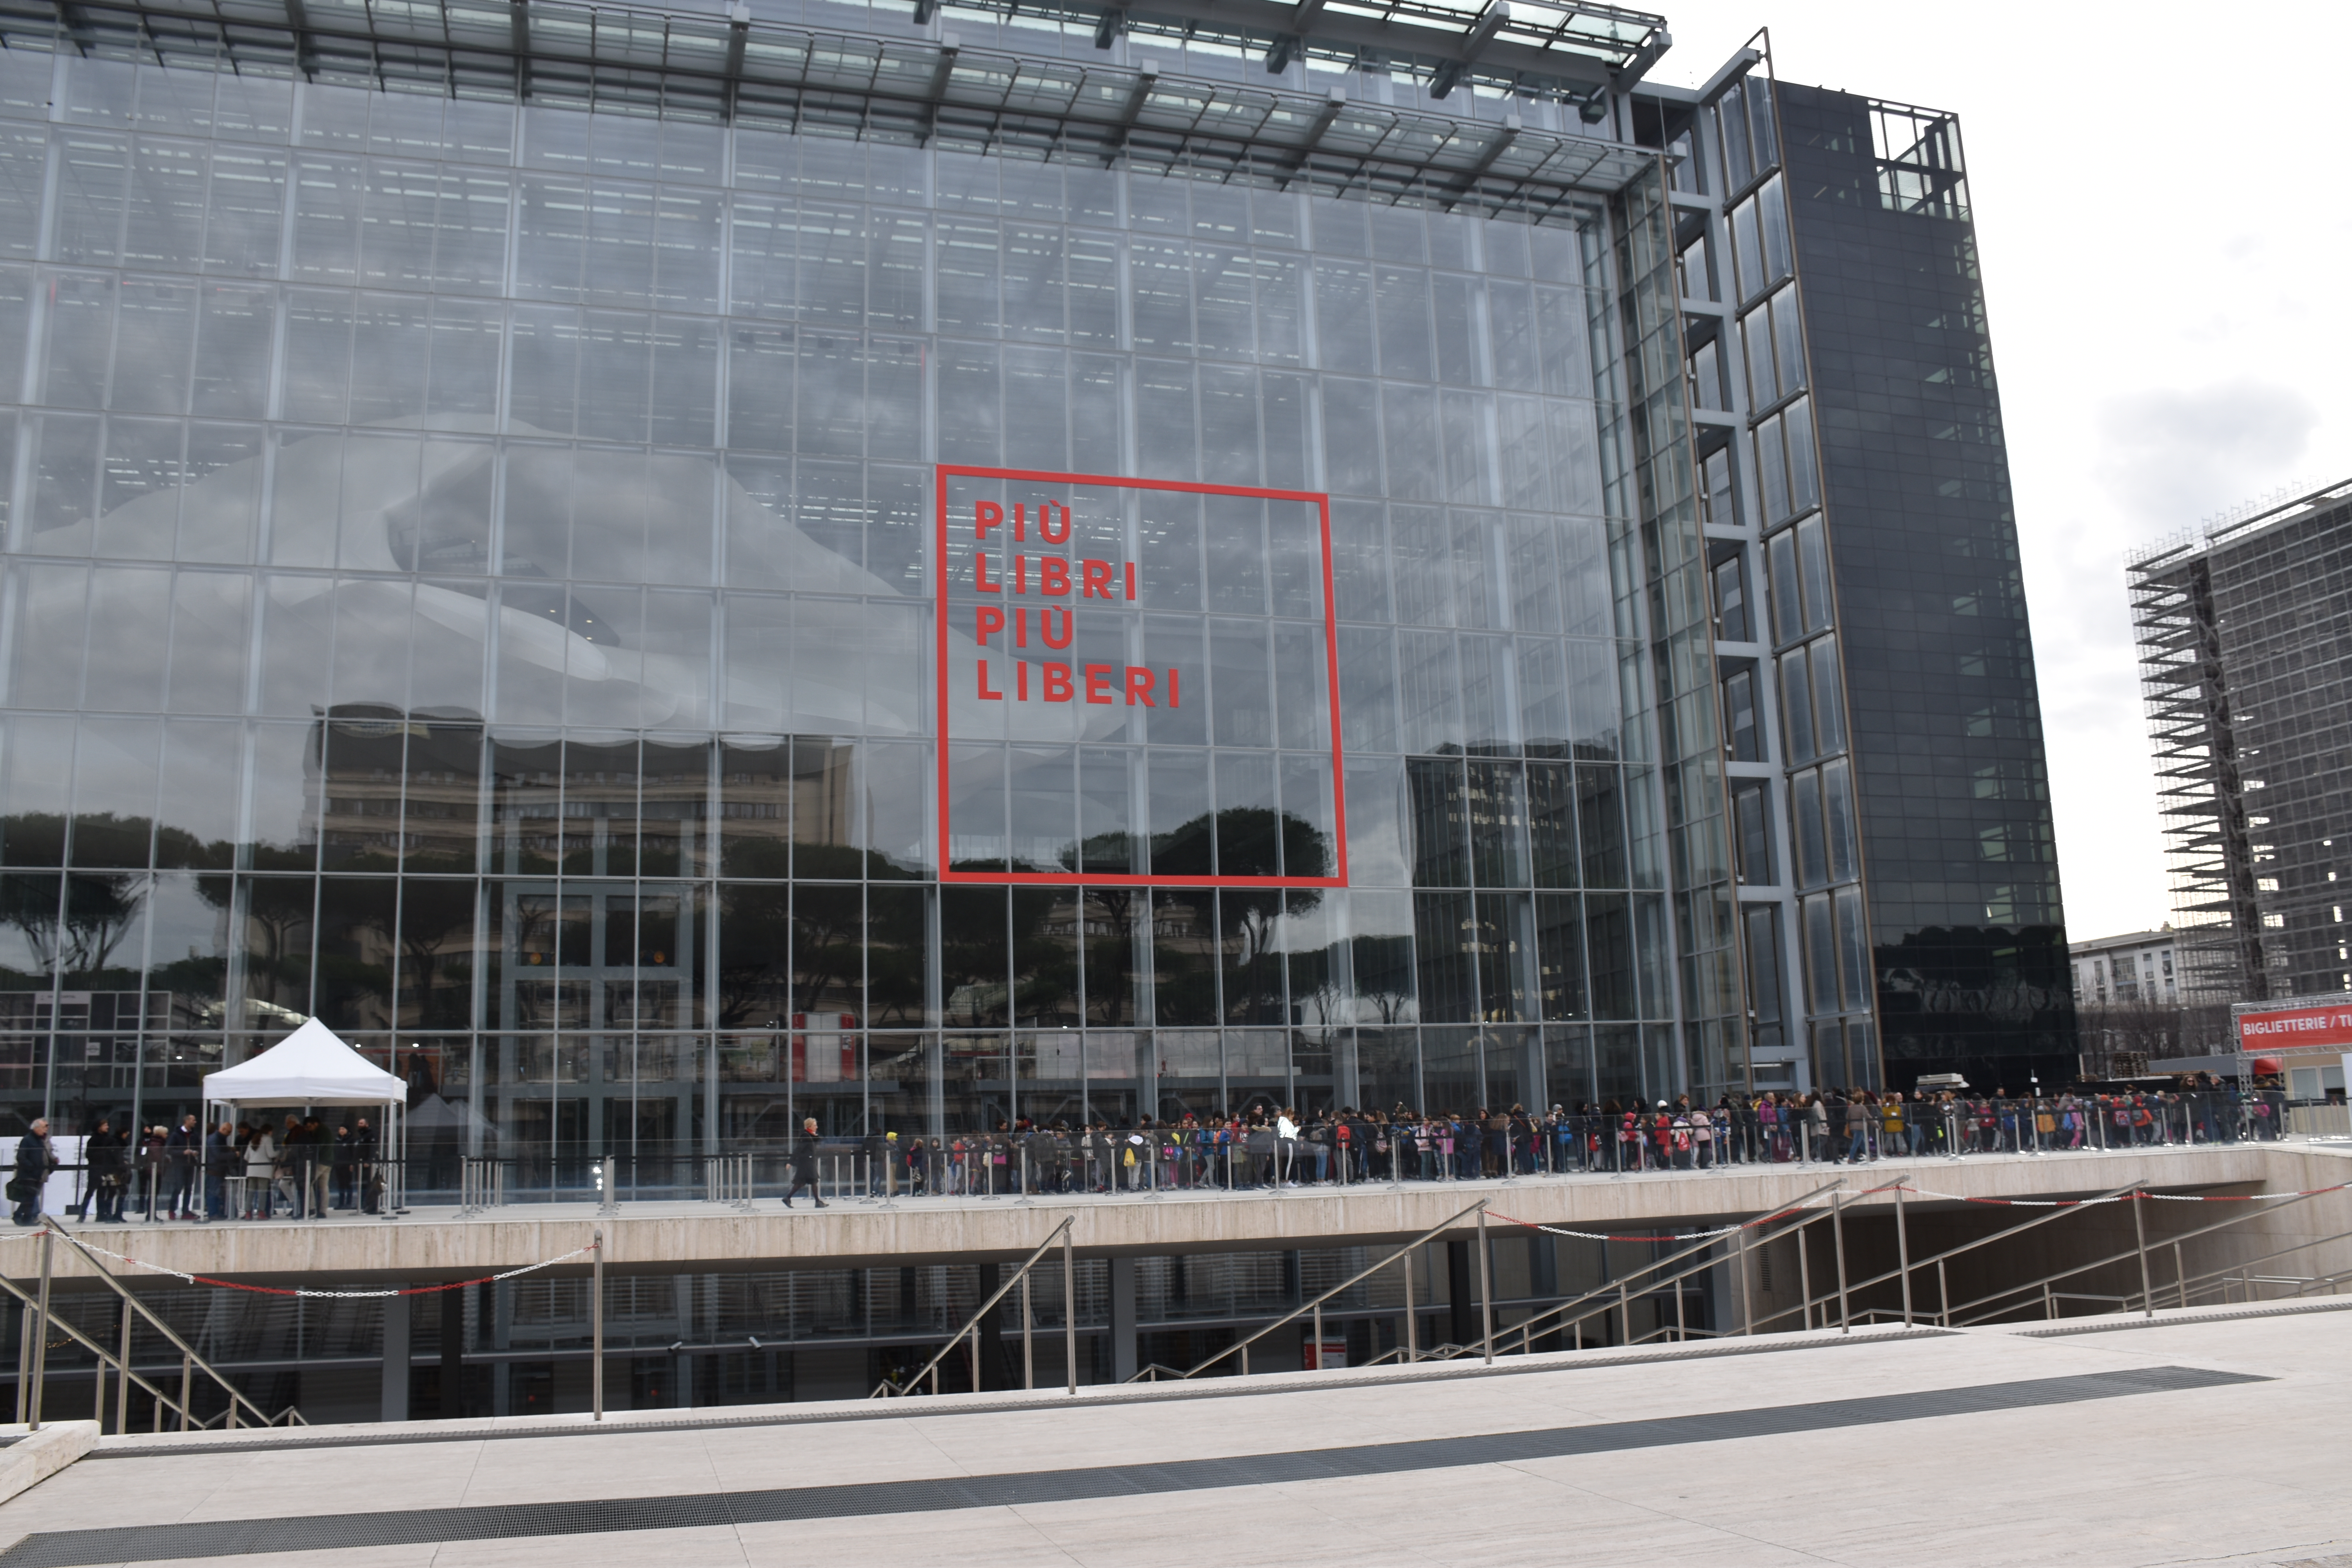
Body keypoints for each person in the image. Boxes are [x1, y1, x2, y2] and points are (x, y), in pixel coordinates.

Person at [11, 1119, 54, 1227]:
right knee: (31, 1195)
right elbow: (21, 1156)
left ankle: (22, 1216)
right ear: (37, 1128)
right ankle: (27, 1217)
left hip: (39, 1174)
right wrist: (31, 1167)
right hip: (28, 1174)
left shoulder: (41, 1140)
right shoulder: (28, 1140)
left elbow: (46, 1155)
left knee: (31, 1197)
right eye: (44, 1127)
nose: (46, 1130)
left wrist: (51, 1166)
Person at [781, 1117, 826, 1208]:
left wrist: (815, 1135)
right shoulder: (805, 1136)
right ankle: (817, 1202)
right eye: (815, 1125)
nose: (817, 1127)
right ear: (809, 1126)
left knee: (803, 1183)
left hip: (809, 1162)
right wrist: (790, 1162)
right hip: (806, 1163)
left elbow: (819, 1140)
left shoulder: (810, 1135)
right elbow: (798, 1150)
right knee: (812, 1181)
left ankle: (788, 1198)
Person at [87, 1118, 126, 1223]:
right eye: (105, 1126)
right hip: (97, 1169)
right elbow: (89, 1155)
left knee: (111, 1190)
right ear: (99, 1128)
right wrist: (104, 1153)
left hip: (109, 1169)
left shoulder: (110, 1140)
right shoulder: (94, 1140)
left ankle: (108, 1214)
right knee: (95, 1191)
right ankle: (97, 1214)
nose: (108, 1127)